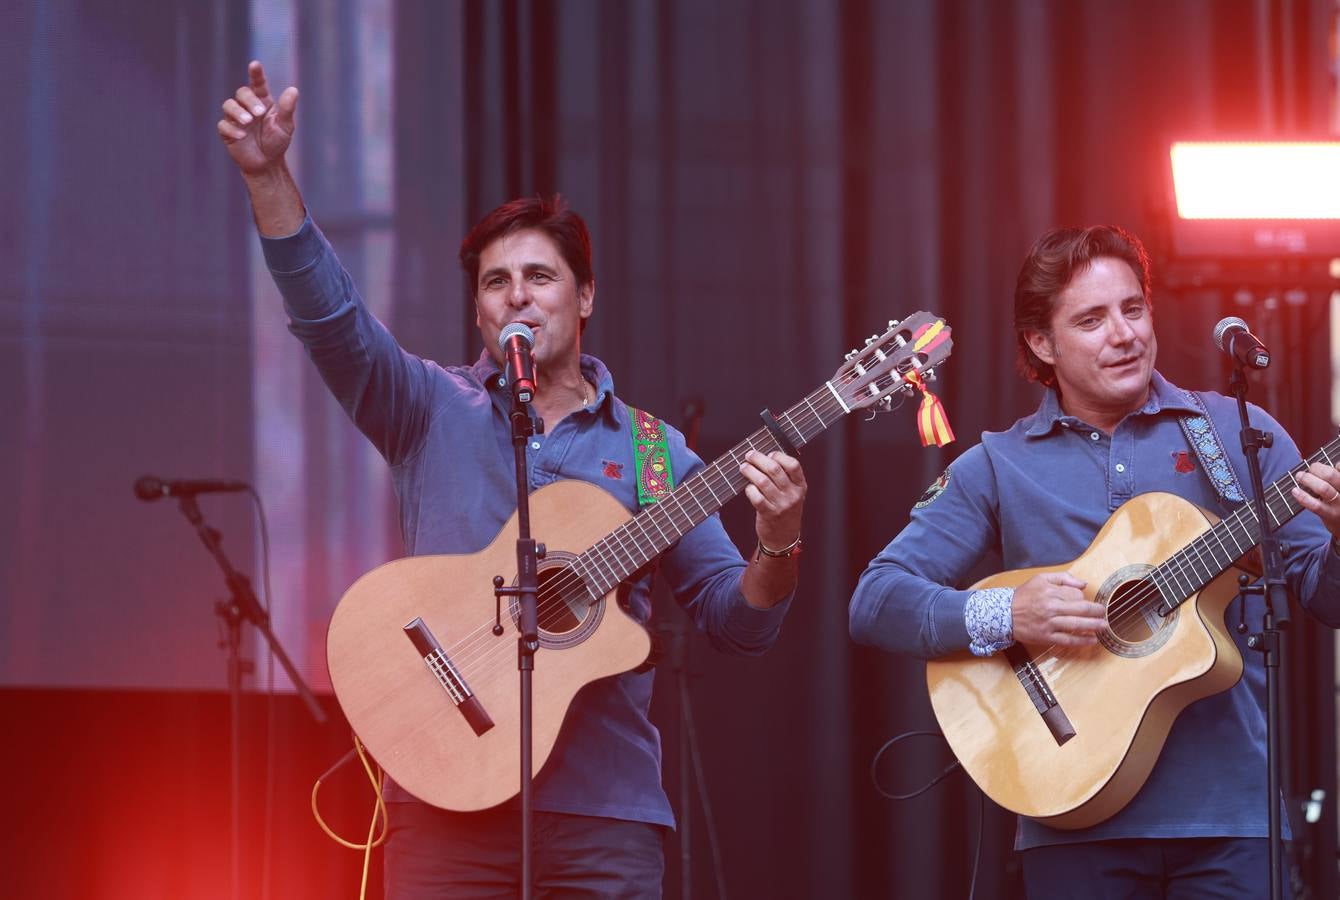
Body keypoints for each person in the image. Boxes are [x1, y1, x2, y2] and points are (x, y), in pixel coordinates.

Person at [217, 61, 807, 898]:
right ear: (480, 314)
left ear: (586, 297)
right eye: (496, 283)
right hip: (445, 800)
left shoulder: (652, 452)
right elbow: (330, 320)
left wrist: (779, 541)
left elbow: (735, 622)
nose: (516, 298)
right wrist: (270, 178)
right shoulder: (428, 407)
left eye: (539, 277)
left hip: (607, 817)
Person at [848, 224, 1340, 898]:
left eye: (1133, 309)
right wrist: (1010, 612)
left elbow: (1325, 596)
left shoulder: (1241, 434)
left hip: (1235, 819)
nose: (1124, 334)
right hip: (1071, 811)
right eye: (1092, 319)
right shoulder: (998, 464)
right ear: (1041, 343)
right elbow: (876, 600)